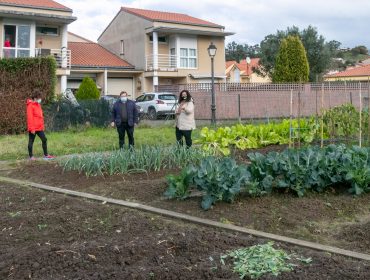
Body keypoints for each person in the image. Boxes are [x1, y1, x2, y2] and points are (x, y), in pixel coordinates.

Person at [26, 90, 55, 160]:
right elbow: (30, 118)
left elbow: (40, 116)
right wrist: (32, 128)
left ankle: (46, 155)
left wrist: (42, 126)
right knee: (31, 141)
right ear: (35, 98)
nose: (40, 99)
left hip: (39, 128)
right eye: (39, 98)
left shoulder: (38, 105)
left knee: (44, 139)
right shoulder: (30, 106)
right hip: (33, 128)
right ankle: (31, 156)